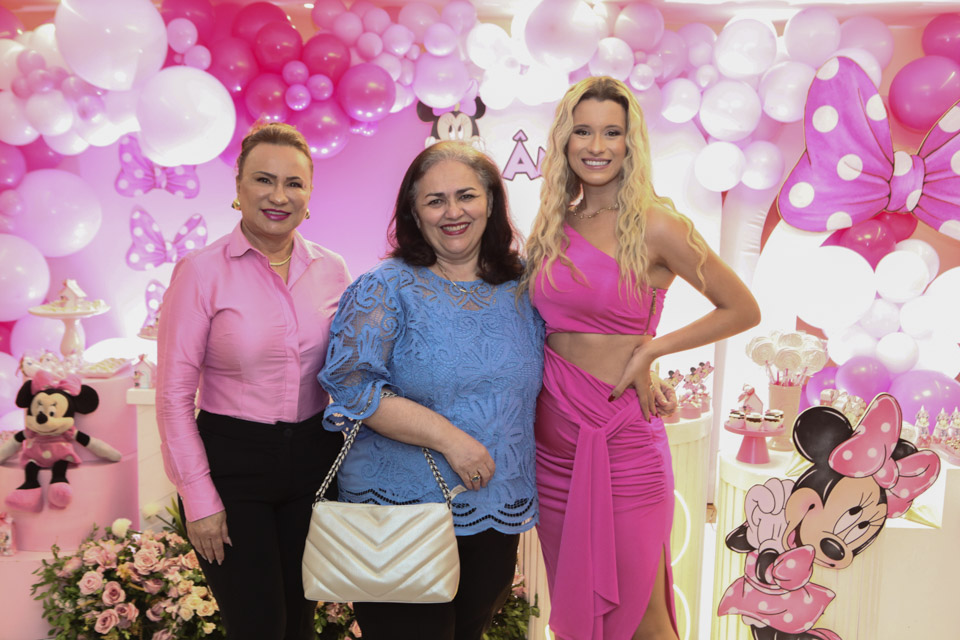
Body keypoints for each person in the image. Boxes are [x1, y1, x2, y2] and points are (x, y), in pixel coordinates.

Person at [523, 76, 762, 640]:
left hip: (623, 442)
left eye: (612, 132)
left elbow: (741, 307)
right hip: (554, 444)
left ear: (632, 143)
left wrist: (653, 349)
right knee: (578, 608)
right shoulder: (553, 225)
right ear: (564, 140)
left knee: (644, 616)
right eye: (583, 131)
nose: (596, 145)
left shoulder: (659, 223)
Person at [318, 141, 544, 640]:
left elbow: (576, 348)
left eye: (466, 195)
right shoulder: (383, 287)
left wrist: (646, 364)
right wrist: (451, 440)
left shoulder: (524, 286)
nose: (453, 212)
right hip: (401, 512)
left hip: (494, 507)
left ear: (491, 202)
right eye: (435, 200)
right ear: (414, 215)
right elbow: (353, 385)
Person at [156, 122, 350, 640]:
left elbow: (351, 372)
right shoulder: (200, 272)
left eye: (295, 183)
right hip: (232, 464)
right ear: (238, 188)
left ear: (309, 196)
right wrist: (198, 499)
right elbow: (173, 398)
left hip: (313, 457)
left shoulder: (333, 270)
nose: (279, 196)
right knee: (258, 625)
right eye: (264, 180)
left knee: (301, 625)